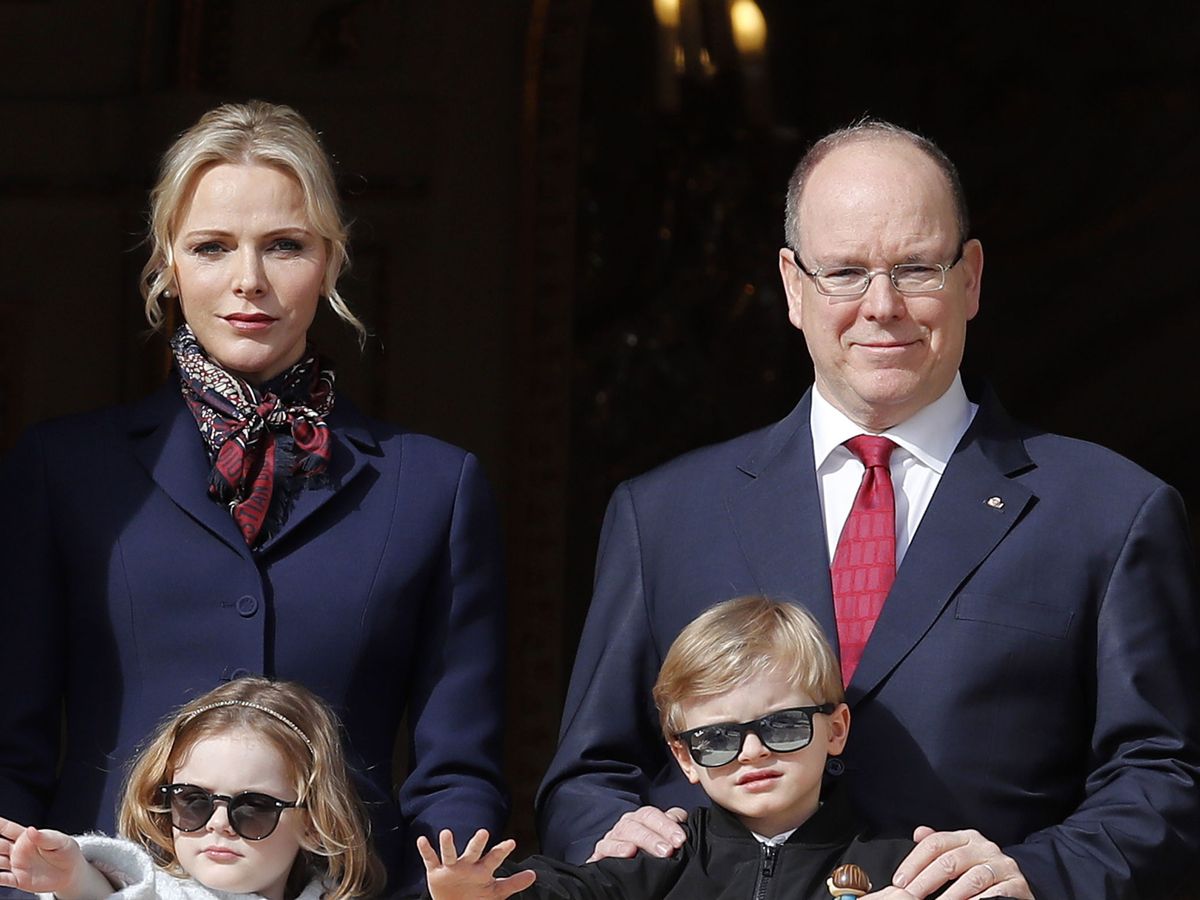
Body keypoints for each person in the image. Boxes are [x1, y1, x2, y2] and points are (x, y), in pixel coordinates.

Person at [535, 120, 1200, 899]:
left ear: (972, 277)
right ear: (792, 286)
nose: (881, 306)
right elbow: (587, 775)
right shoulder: (665, 514)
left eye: (916, 268)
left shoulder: (1109, 512)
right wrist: (612, 837)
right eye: (845, 272)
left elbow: (1162, 777)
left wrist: (1037, 875)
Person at [0, 101, 509, 897]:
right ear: (167, 264)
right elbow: (10, 751)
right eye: (211, 247)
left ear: (333, 261)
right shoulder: (64, 470)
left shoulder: (434, 488)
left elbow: (457, 771)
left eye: (285, 245)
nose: (249, 281)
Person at [421, 597, 991, 900]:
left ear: (836, 729)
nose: (751, 753)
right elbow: (562, 891)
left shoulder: (902, 868)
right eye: (716, 739)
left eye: (784, 726)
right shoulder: (657, 863)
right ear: (685, 759)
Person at [0, 677, 384, 900]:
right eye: (194, 801)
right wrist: (72, 879)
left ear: (314, 823)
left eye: (253, 807)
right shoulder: (162, 892)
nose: (219, 824)